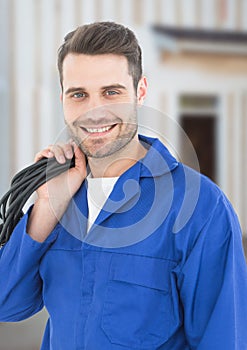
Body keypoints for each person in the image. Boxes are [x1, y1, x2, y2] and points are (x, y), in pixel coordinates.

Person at [0, 21, 247, 350]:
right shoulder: (58, 200)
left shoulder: (200, 208)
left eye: (111, 92)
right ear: (63, 99)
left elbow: (223, 339)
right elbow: (8, 304)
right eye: (79, 95)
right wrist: (46, 206)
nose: (95, 111)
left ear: (140, 92)